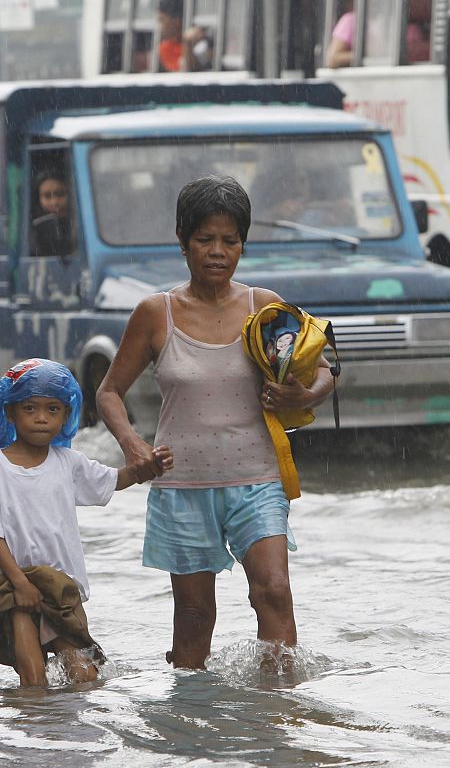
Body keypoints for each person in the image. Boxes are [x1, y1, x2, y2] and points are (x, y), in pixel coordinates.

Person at [96, 175, 334, 671]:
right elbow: (108, 392)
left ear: (243, 244)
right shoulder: (155, 314)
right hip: (181, 484)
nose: (218, 252)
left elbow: (325, 367)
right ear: (182, 243)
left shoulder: (264, 308)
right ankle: (190, 724)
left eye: (230, 240)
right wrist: (132, 444)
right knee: (194, 612)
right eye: (205, 239)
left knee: (273, 592)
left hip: (258, 480)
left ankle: (277, 713)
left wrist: (302, 391)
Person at [0, 357, 173, 687]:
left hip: (63, 589)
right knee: (32, 680)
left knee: (84, 676)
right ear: (10, 413)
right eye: (30, 408)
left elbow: (113, 480)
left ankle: (69, 735)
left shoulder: (68, 462)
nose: (41, 418)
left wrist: (146, 467)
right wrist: (20, 583)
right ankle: (32, 736)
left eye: (52, 410)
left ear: (66, 416)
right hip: (16, 588)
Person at [31, 170, 71, 256]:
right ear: (38, 200)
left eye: (60, 194)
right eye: (47, 196)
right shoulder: (32, 232)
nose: (55, 202)